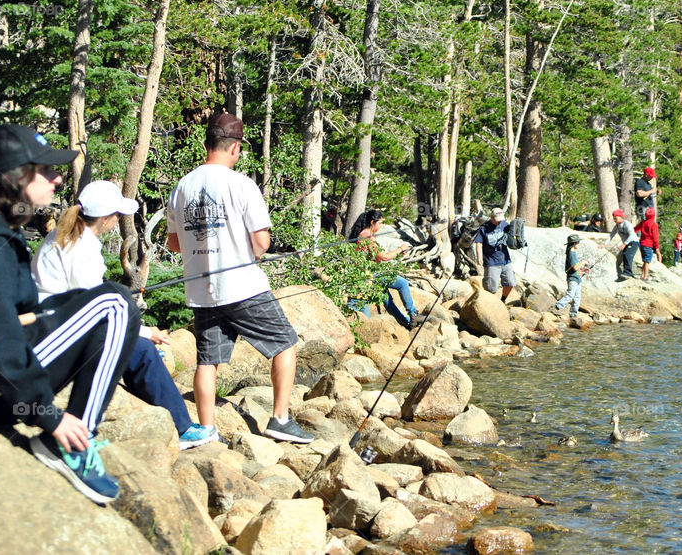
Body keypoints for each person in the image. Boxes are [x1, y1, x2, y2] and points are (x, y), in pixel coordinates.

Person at [0, 124, 140, 504]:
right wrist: (49, 416)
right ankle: (75, 443)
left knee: (89, 298)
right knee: (115, 303)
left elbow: (13, 316)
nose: (58, 178)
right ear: (15, 178)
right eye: (45, 170)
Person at [32, 180, 218, 450]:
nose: (118, 219)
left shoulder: (70, 236)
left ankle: (173, 422)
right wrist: (144, 332)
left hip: (54, 323)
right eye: (117, 214)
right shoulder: (80, 247)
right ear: (106, 219)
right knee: (141, 350)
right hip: (57, 331)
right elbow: (95, 312)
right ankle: (184, 429)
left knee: (138, 348)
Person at [167, 112, 312, 444]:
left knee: (208, 360)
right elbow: (261, 243)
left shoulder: (181, 187)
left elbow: (175, 244)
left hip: (202, 290)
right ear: (235, 149)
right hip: (243, 287)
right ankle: (280, 419)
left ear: (207, 144)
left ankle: (206, 428)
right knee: (285, 342)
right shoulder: (243, 185)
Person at [348, 209, 422, 329]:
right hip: (369, 275)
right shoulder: (366, 236)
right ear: (373, 222)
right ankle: (413, 314)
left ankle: (407, 323)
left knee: (387, 300)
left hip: (368, 275)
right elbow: (384, 257)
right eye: (380, 223)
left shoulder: (366, 234)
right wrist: (400, 248)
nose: (382, 226)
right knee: (402, 283)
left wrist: (399, 252)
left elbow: (378, 255)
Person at [474, 207, 517, 300]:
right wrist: (479, 257)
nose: (499, 222)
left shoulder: (504, 225)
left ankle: (502, 300)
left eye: (500, 220)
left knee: (510, 282)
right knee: (491, 288)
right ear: (491, 218)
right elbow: (478, 243)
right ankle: (491, 304)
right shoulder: (484, 228)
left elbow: (512, 237)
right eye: (497, 220)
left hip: (505, 260)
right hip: (491, 261)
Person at [599, 208, 639, 281]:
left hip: (633, 242)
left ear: (621, 217)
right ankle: (628, 273)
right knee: (624, 255)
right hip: (626, 243)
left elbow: (632, 235)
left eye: (616, 218)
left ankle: (628, 273)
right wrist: (604, 244)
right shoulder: (617, 226)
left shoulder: (627, 224)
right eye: (614, 218)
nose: (614, 220)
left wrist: (624, 244)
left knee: (627, 254)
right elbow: (611, 236)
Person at [555, 234, 589, 317]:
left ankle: (573, 314)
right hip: (573, 279)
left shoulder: (572, 253)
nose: (579, 244)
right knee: (570, 295)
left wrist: (583, 270)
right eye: (578, 243)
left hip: (577, 278)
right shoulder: (572, 253)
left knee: (577, 298)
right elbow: (575, 268)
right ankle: (558, 305)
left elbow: (576, 268)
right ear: (575, 243)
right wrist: (583, 262)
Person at [634, 206, 659, 281]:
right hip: (649, 245)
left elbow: (635, 229)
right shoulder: (654, 225)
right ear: (653, 215)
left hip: (642, 244)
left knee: (644, 261)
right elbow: (655, 237)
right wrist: (657, 247)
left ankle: (642, 275)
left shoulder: (643, 223)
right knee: (647, 261)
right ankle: (645, 277)